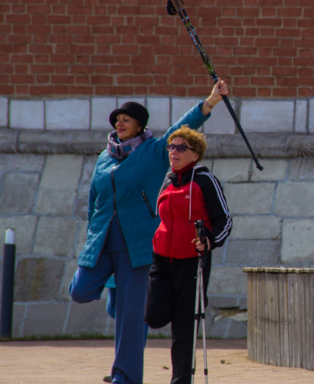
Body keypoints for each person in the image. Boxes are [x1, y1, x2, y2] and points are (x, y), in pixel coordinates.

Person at [69, 79, 229, 384]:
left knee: (132, 318)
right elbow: (94, 200)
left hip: (138, 245)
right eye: (117, 120)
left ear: (140, 126)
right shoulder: (104, 159)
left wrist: (210, 102)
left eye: (126, 120)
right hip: (103, 241)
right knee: (80, 291)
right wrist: (92, 236)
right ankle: (115, 291)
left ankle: (125, 377)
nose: (120, 123)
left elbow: (183, 128)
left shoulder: (155, 151)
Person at [144, 125, 232, 384]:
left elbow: (224, 220)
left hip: (192, 263)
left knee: (183, 329)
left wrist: (210, 240)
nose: (174, 152)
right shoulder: (168, 181)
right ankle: (185, 310)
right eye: (171, 147)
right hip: (161, 260)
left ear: (195, 155)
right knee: (154, 316)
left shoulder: (205, 180)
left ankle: (181, 380)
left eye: (181, 148)